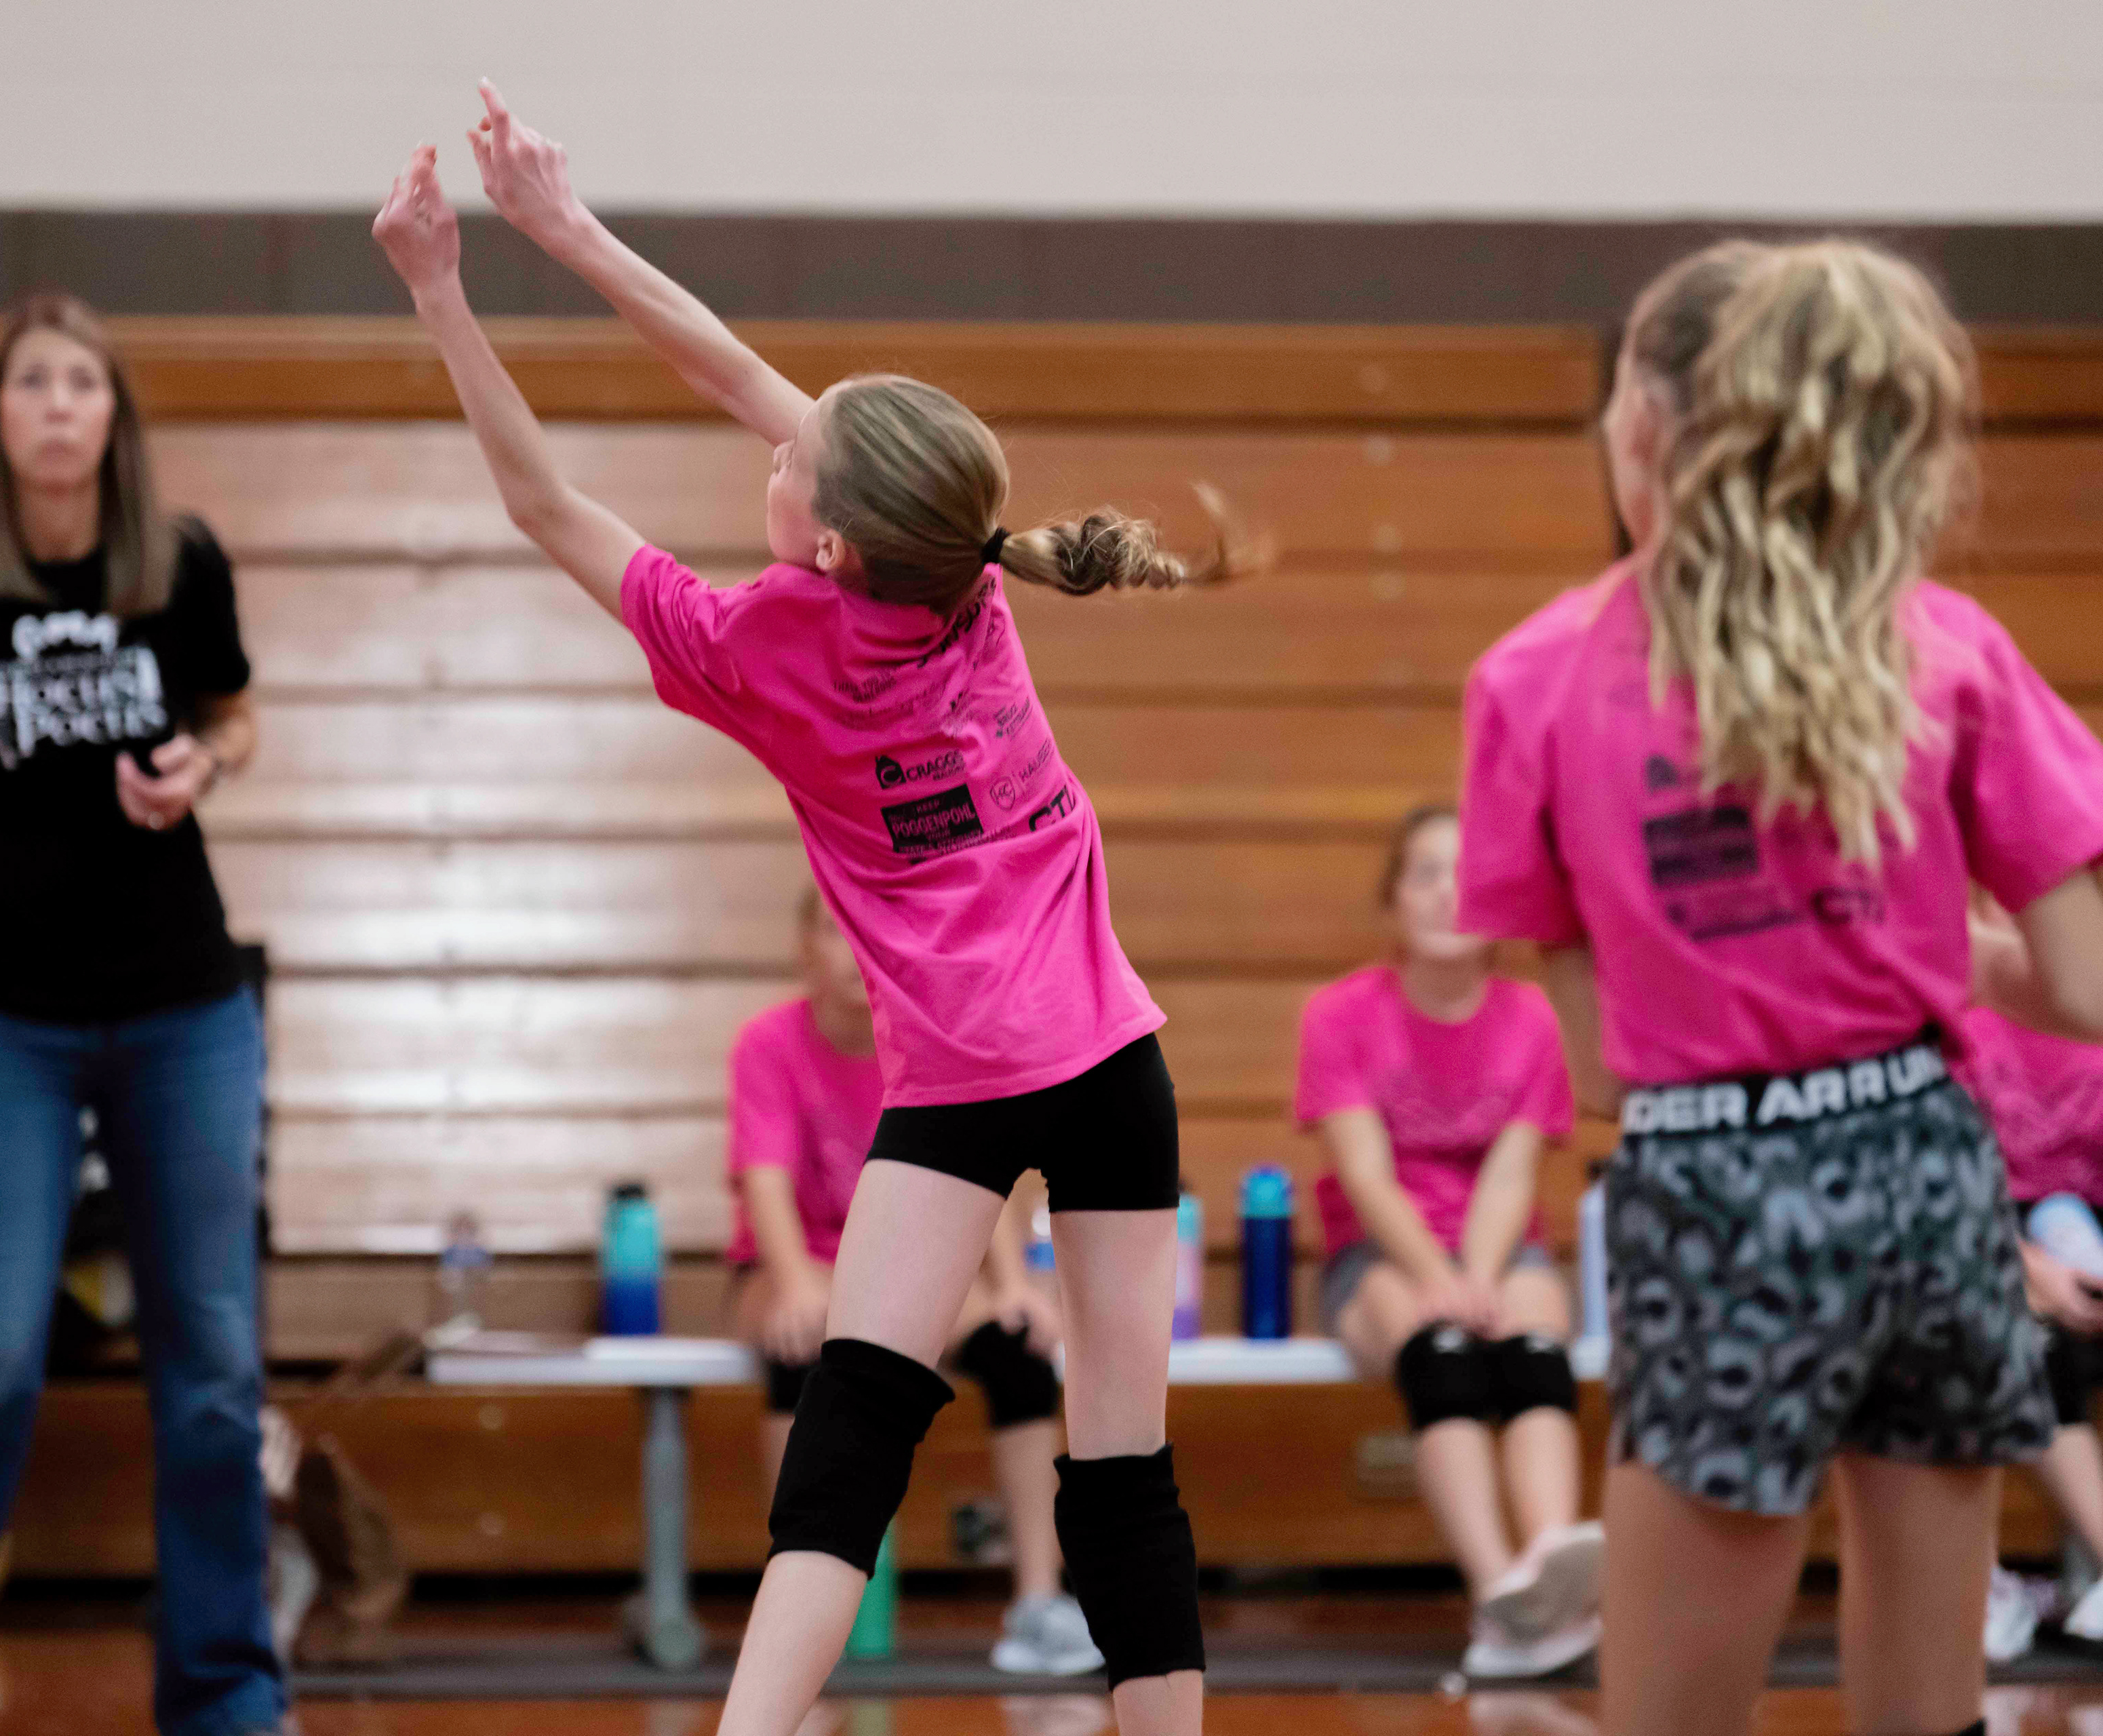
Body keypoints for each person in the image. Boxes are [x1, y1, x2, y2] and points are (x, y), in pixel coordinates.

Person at [371, 82, 1240, 1736]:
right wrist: (561, 223)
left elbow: (546, 502)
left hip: (956, 1091)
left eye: (789, 455)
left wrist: (444, 290)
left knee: (848, 1446)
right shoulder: (963, 574)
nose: (770, 438)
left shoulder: (752, 651)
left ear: (827, 541)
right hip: (1113, 1070)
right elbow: (729, 372)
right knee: (1124, 1462)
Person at [1459, 237, 2103, 1736]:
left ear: (1647, 422)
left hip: (1718, 1180)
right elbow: (2083, 984)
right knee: (1933, 1712)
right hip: (1931, 1171)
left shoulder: (1535, 678)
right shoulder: (1947, 644)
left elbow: (1604, 1069)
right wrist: (1930, 954)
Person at [0, 293, 281, 1736]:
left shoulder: (179, 561)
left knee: (213, 1370)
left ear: (113, 416)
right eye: (34, 382)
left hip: (182, 1009)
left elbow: (237, 715)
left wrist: (203, 763)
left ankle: (225, 1693)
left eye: (84, 381)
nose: (61, 404)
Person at [730, 886, 1095, 1676]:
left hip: (907, 1266)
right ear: (804, 949)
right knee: (801, 1346)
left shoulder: (932, 1044)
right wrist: (795, 1284)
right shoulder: (769, 1043)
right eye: (835, 932)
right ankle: (793, 1615)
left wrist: (1013, 1286)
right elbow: (765, 1182)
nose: (854, 950)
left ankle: (1039, 1602)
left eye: (868, 932)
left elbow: (981, 1179)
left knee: (1018, 1352)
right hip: (798, 1266)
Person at [1297, 804, 1600, 1678]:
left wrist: (1478, 1276)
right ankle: (1499, 1593)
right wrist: (1439, 1278)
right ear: (1392, 899)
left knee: (1534, 1345)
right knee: (1442, 1351)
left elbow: (1510, 1175)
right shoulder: (1340, 1015)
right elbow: (1365, 1174)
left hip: (1499, 1249)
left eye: (1464, 875)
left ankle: (1548, 1561)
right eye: (1424, 873)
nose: (1445, 893)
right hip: (1379, 1256)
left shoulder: (1535, 1019)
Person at [1957, 903, 2103, 1659]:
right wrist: (2028, 1266)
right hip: (1988, 1244)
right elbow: (1938, 1186)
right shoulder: (1955, 1007)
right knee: (2019, 1337)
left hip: (2075, 1229)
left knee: (2063, 1220)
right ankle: (1977, 1581)